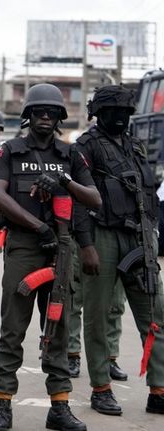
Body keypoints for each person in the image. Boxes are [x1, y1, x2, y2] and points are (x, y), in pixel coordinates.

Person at [0, 83, 101, 431]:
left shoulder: (70, 155)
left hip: (62, 250)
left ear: (60, 118)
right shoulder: (10, 151)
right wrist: (39, 227)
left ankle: (59, 406)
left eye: (52, 113)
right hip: (24, 246)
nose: (46, 117)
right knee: (12, 329)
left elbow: (93, 199)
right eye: (39, 112)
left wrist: (63, 181)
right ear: (28, 116)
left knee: (58, 329)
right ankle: (3, 404)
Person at [74, 84, 164, 416]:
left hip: (139, 236)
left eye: (126, 112)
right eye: (114, 112)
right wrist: (86, 245)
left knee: (156, 312)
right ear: (98, 114)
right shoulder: (85, 147)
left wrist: (151, 232)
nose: (121, 118)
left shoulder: (135, 146)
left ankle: (159, 388)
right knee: (97, 315)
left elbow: (147, 190)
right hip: (102, 235)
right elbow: (79, 201)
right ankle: (101, 388)